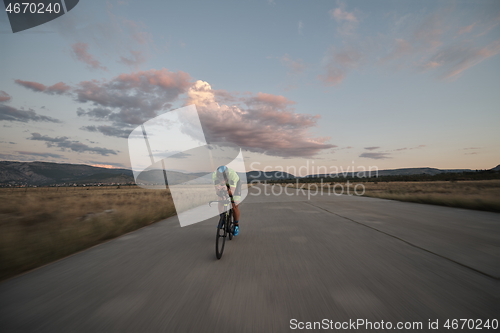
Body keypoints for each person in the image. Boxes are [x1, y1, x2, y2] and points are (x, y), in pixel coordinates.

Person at [212, 165, 241, 236]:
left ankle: (236, 225)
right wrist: (220, 192)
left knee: (234, 205)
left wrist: (227, 189)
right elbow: (217, 192)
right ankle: (222, 218)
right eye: (220, 179)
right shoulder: (215, 176)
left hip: (235, 185)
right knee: (220, 200)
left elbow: (232, 193)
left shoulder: (233, 176)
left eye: (223, 179)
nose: (222, 180)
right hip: (224, 186)